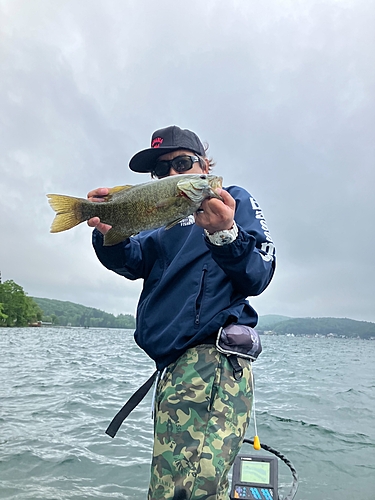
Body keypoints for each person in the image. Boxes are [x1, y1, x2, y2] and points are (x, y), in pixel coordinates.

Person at [87, 125, 276, 500]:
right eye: (161, 170)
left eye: (182, 163)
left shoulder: (233, 200)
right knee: (186, 484)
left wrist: (226, 234)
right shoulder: (159, 220)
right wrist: (107, 231)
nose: (171, 174)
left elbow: (259, 272)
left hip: (211, 363)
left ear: (203, 165)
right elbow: (131, 259)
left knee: (183, 491)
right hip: (172, 369)